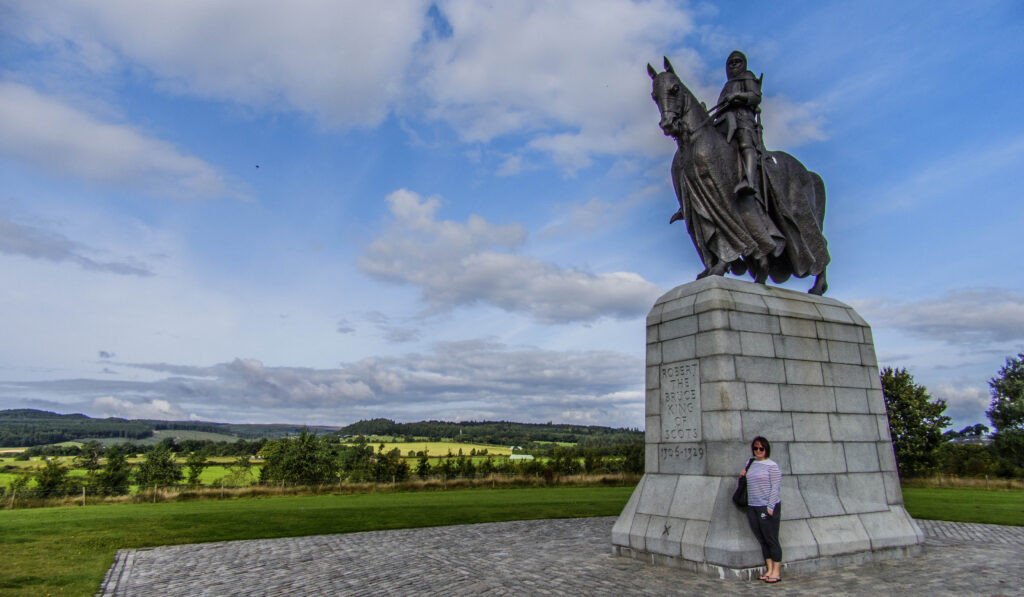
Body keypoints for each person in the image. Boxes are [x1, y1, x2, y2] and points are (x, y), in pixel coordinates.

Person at [714, 50, 765, 200]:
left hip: (743, 118)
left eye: (737, 61)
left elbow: (755, 96)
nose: (734, 64)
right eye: (731, 62)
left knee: (745, 142)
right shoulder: (726, 86)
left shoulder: (747, 76)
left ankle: (749, 179)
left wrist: (738, 96)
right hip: (725, 122)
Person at [740, 436, 782, 583]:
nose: (758, 451)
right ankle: (769, 569)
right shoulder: (750, 463)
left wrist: (770, 507)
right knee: (762, 539)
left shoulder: (772, 466)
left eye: (761, 448)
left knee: (771, 539)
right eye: (756, 448)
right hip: (753, 506)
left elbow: (775, 487)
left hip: (767, 506)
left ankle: (776, 571)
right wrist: (743, 474)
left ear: (766, 449)